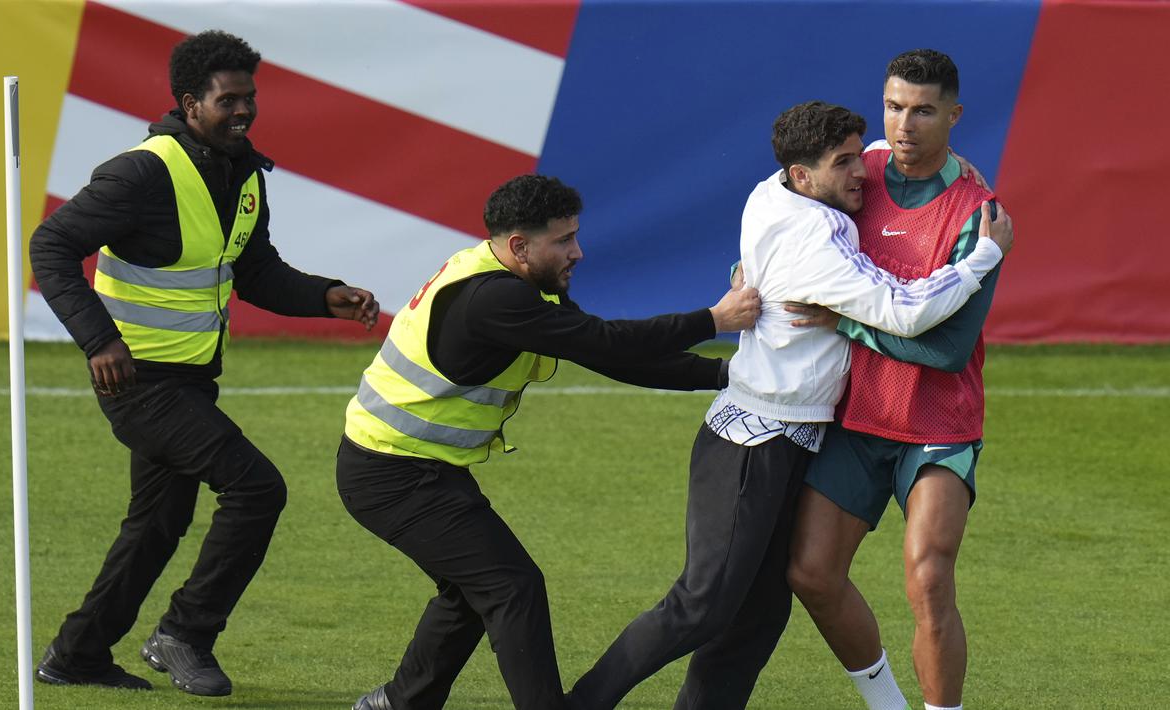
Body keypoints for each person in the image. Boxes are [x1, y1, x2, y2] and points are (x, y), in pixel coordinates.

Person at [566, 100, 1011, 709]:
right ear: (804, 174)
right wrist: (984, 256)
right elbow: (907, 313)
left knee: (758, 617)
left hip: (792, 438)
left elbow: (875, 153)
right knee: (701, 605)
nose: (862, 171)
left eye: (859, 156)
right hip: (754, 445)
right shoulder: (816, 242)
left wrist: (949, 159)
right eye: (844, 163)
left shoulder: (771, 191)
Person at [29, 30, 379, 696]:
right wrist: (99, 341)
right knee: (256, 489)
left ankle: (77, 654)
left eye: (250, 97)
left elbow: (254, 271)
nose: (244, 110)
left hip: (189, 383)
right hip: (138, 383)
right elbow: (50, 246)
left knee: (156, 526)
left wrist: (324, 295)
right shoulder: (140, 174)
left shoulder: (242, 170)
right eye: (228, 100)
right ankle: (184, 635)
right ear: (190, 104)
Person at [339, 173, 761, 710]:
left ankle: (399, 703)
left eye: (575, 236)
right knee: (511, 586)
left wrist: (726, 376)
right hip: (391, 474)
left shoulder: (507, 279)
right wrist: (712, 320)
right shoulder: (494, 299)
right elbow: (606, 341)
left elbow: (606, 354)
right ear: (520, 246)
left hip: (413, 468)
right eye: (563, 240)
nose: (577, 252)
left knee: (474, 591)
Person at [786, 49, 1007, 710]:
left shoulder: (980, 215)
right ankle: (888, 705)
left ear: (954, 115)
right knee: (811, 573)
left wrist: (842, 323)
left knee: (928, 578)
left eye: (923, 111)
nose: (905, 124)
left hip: (938, 423)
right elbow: (785, 206)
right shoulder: (857, 173)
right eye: (893, 107)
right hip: (856, 416)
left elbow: (946, 350)